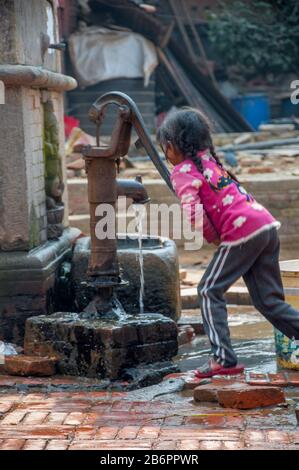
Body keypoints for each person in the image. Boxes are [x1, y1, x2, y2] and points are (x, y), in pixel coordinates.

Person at [157, 108, 299, 378]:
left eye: (165, 147)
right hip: (266, 226)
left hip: (242, 233)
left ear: (172, 145)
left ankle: (223, 359)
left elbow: (194, 212)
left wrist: (214, 237)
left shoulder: (182, 171)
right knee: (269, 302)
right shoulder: (209, 160)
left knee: (209, 290)